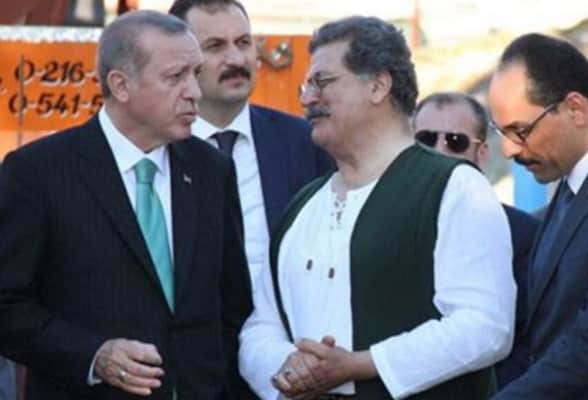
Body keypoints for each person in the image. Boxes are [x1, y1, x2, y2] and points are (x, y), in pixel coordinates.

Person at [239, 16, 516, 400]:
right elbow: (260, 327)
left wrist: (361, 365)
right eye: (306, 86)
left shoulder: (454, 188)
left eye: (322, 82)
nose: (307, 99)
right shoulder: (303, 207)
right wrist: (289, 368)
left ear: (378, 85)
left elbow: (486, 325)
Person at [0, 10, 252, 399]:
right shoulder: (38, 172)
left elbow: (232, 304)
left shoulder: (211, 170)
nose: (194, 92)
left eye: (196, 74)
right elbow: (7, 305)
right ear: (120, 85)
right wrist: (93, 356)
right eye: (176, 77)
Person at [488, 33, 588, 399]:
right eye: (501, 132)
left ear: (575, 109)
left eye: (520, 131)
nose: (509, 150)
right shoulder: (573, 182)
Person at [168, 0, 332, 292]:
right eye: (215, 46)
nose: (236, 59)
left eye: (243, 43)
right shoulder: (159, 147)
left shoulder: (305, 142)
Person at [412, 92, 539, 387]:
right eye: (426, 140)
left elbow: (530, 343)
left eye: (455, 141)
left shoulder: (524, 235)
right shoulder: (381, 225)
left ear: (482, 153)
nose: (439, 151)